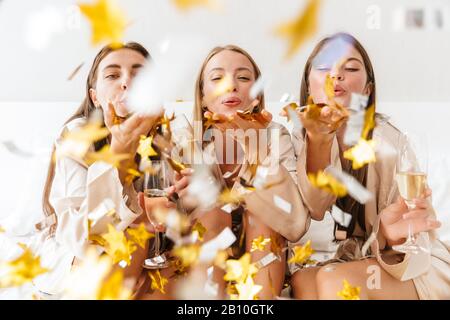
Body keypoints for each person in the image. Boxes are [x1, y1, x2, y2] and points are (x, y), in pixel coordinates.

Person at [288, 32, 450, 299]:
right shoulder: (293, 142)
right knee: (303, 281)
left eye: (350, 68)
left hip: (409, 266)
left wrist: (389, 234)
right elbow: (314, 209)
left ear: (367, 89)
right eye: (324, 67)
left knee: (332, 280)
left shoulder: (390, 143)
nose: (336, 75)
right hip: (349, 261)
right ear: (308, 83)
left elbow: (416, 233)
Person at [37, 42, 175, 298]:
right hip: (79, 257)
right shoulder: (78, 138)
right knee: (135, 232)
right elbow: (84, 240)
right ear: (95, 97)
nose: (126, 83)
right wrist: (119, 159)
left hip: (146, 258)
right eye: (113, 75)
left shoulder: (166, 138)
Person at [187, 45, 309, 299]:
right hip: (203, 258)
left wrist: (257, 152)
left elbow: (296, 224)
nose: (231, 86)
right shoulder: (186, 139)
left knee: (263, 211)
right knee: (210, 211)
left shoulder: (275, 136)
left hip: (265, 259)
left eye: (243, 78)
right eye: (217, 78)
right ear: (202, 96)